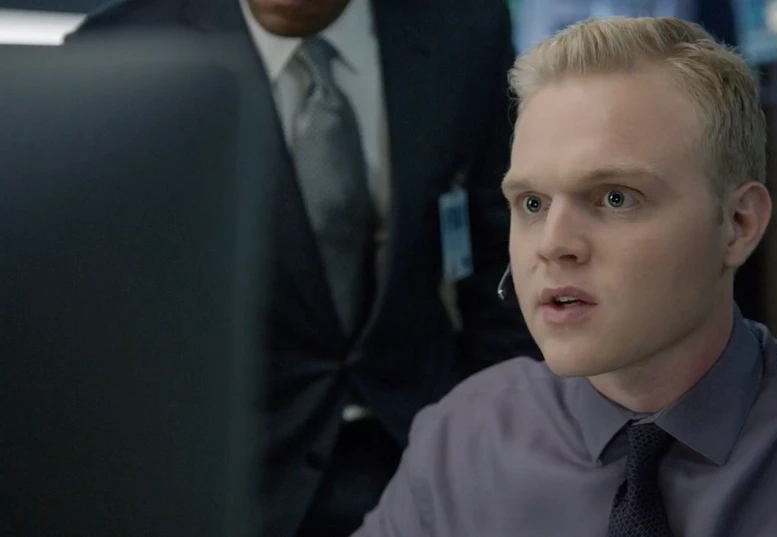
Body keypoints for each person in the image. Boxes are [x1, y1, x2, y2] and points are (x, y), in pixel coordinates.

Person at [352, 16, 777, 537]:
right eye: (532, 204)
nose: (554, 245)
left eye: (615, 198)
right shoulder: (461, 441)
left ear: (738, 224)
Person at [68, 1, 538, 536]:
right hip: (227, 473)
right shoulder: (120, 54)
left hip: (420, 448)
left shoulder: (461, 29)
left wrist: (501, 442)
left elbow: (503, 255)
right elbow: (99, 324)